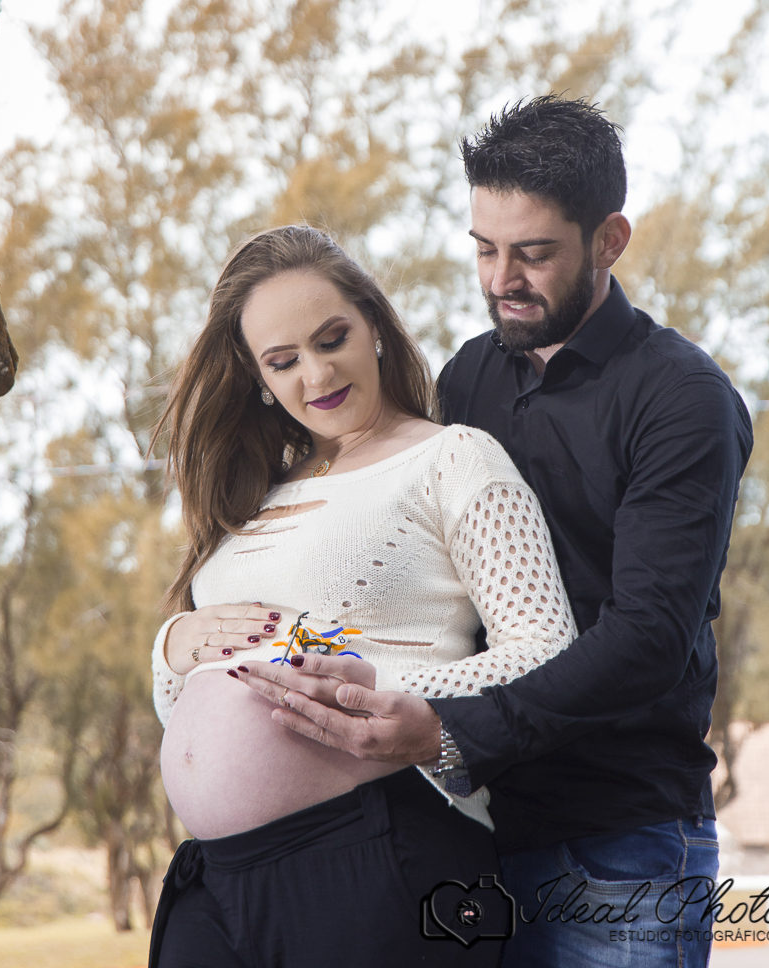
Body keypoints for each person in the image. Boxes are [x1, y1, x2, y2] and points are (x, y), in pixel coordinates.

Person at [238, 98, 754, 967]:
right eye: (484, 248)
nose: (500, 278)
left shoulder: (682, 400)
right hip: (465, 827)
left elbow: (646, 638)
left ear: (610, 239)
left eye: (534, 253)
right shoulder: (466, 377)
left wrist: (447, 730)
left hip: (617, 835)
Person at [148, 224, 576, 968]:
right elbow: (193, 699)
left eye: (331, 338)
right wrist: (172, 646)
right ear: (258, 377)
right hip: (219, 879)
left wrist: (381, 689)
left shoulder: (452, 457)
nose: (316, 375)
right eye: (283, 361)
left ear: (373, 325)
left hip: (375, 844)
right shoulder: (253, 496)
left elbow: (547, 654)